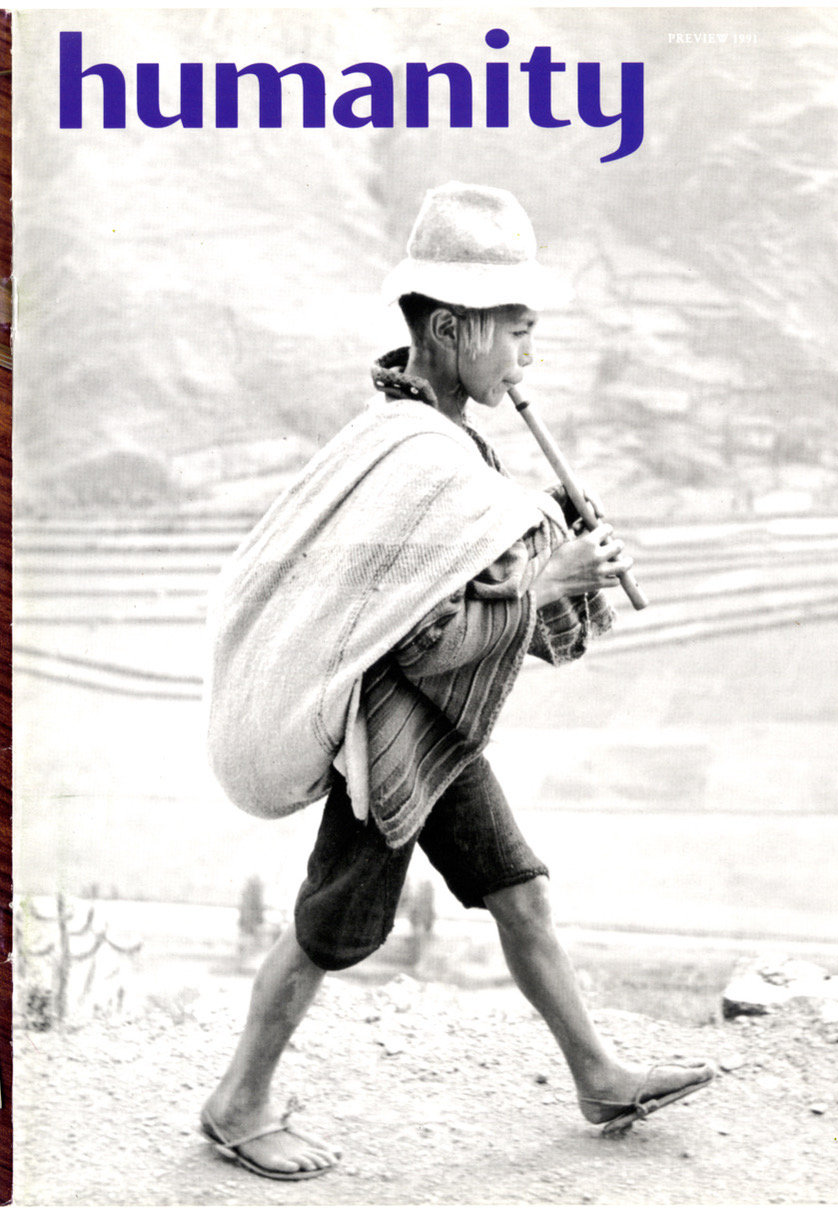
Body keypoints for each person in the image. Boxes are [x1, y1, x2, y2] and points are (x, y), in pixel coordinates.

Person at [200, 182, 715, 1181]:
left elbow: (474, 611)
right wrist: (546, 580)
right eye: (514, 332)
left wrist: (551, 554)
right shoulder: (420, 461)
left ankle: (598, 1073)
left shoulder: (442, 448)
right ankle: (237, 1099)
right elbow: (422, 642)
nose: (528, 357)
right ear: (447, 328)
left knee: (519, 893)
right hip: (387, 751)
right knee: (331, 927)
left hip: (437, 737)